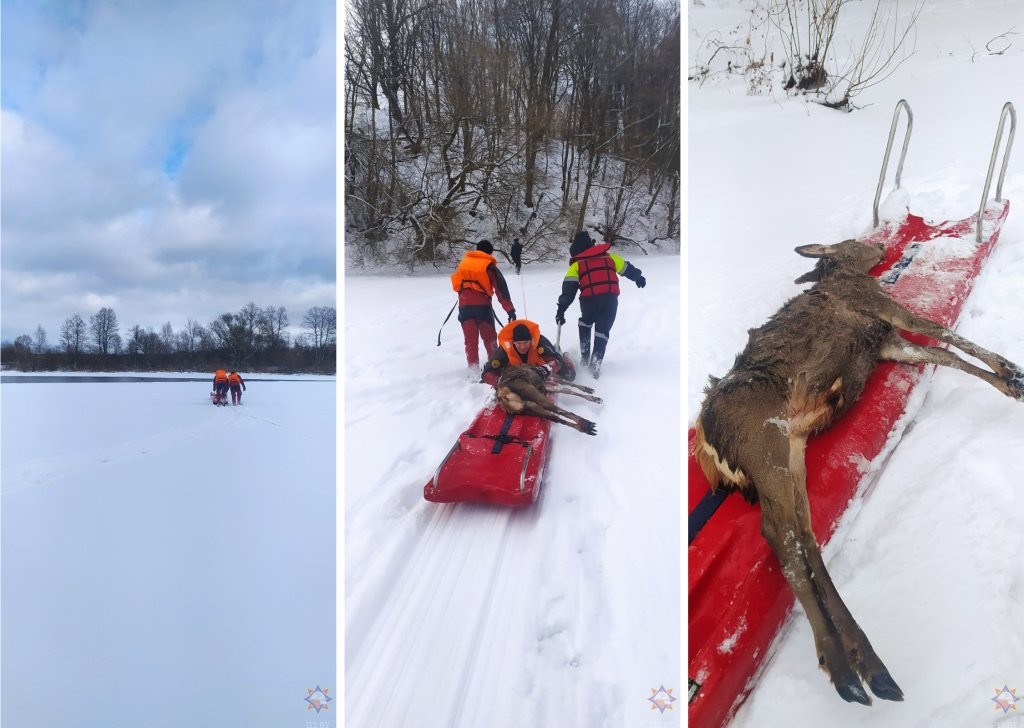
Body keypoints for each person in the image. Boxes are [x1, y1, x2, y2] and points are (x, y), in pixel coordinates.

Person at [554, 230, 646, 378]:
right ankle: (595, 366)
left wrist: (561, 310)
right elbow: (627, 269)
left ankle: (584, 358)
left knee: (585, 322)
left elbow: (568, 291)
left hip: (589, 301)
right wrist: (639, 278)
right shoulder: (610, 258)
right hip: (610, 300)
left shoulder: (577, 265)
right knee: (602, 331)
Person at [451, 240, 517, 369]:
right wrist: (510, 310)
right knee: (490, 339)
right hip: (482, 308)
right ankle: (495, 366)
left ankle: (473, 367)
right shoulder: (488, 266)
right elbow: (501, 290)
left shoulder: (463, 263)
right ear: (490, 252)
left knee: (470, 341)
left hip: (464, 307)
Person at [481, 320, 576, 386]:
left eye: (525, 342)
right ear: (513, 342)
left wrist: (545, 370)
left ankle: (568, 357)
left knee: (569, 376)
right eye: (519, 343)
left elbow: (556, 361)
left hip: (542, 369)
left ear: (531, 341)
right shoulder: (505, 350)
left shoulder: (540, 343)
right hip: (520, 376)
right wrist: (499, 381)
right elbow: (488, 372)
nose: (522, 346)